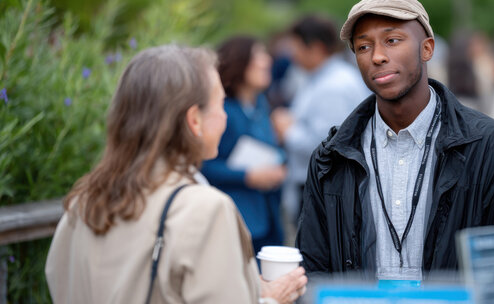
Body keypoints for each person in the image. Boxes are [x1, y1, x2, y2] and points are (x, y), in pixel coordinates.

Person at [295, 0, 494, 280]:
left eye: (392, 40)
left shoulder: (492, 146)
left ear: (427, 49)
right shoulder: (332, 158)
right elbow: (313, 270)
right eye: (363, 47)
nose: (377, 56)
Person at [46, 45, 306, 303]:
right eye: (220, 103)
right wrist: (271, 300)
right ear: (194, 120)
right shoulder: (206, 210)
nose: (225, 116)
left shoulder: (82, 201)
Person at [271, 14, 371, 224]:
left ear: (315, 48)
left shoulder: (333, 86)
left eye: (296, 48)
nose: (293, 55)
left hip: (324, 189)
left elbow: (326, 145)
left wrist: (287, 130)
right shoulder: (321, 77)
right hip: (318, 185)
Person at [201, 36, 286, 254]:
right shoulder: (223, 112)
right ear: (239, 62)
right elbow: (203, 165)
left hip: (267, 215)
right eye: (258, 55)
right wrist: (247, 176)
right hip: (236, 220)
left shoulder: (260, 104)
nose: (266, 61)